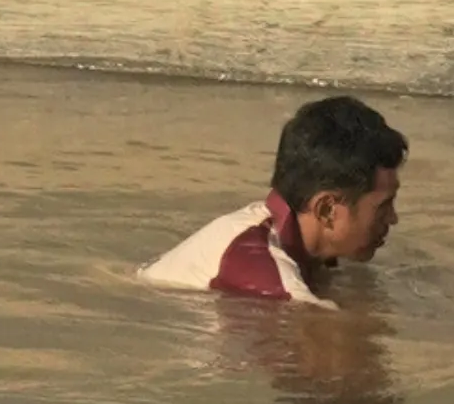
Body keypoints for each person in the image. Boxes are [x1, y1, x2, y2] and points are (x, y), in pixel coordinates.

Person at [140, 92, 407, 306]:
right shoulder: (266, 272)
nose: (393, 219)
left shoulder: (291, 240)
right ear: (326, 210)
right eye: (383, 206)